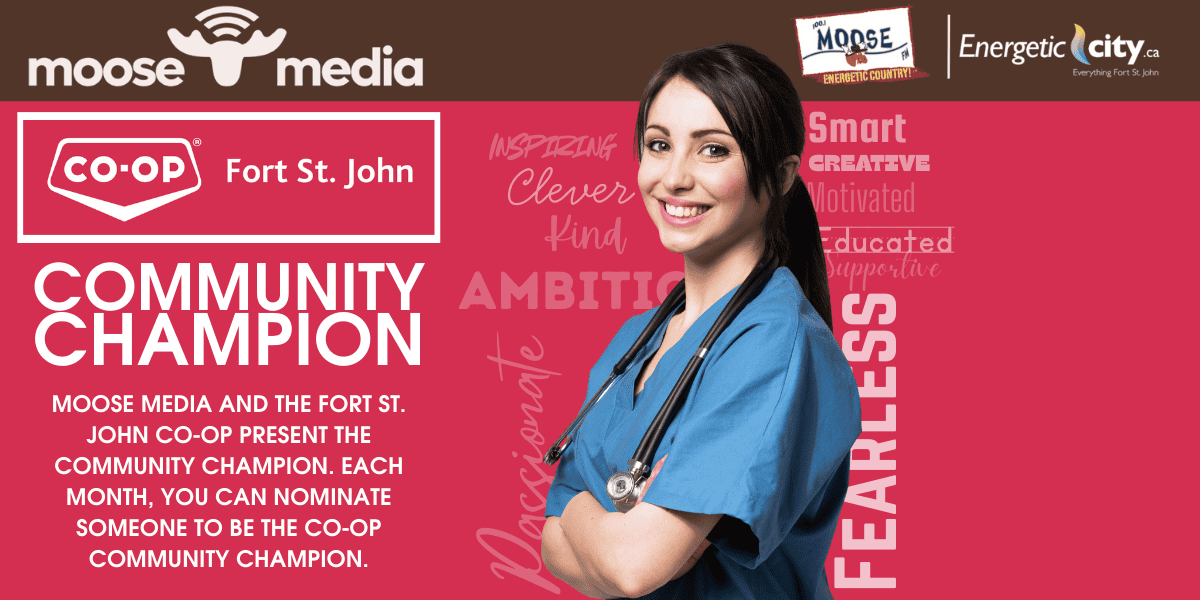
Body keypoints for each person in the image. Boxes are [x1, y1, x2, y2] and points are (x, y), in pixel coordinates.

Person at [541, 43, 862, 599]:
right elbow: (549, 545)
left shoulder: (777, 346)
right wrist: (596, 528)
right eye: (658, 145)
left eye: (713, 150)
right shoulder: (634, 342)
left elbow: (633, 568)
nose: (674, 177)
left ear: (782, 175)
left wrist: (578, 512)